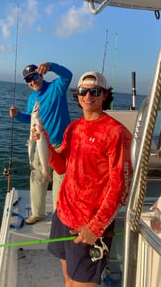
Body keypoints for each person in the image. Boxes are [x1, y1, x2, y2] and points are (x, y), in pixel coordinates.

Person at [33, 71, 132, 286]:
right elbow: (61, 167)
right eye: (83, 91)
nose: (88, 96)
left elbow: (121, 186)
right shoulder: (73, 128)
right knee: (68, 279)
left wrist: (96, 227)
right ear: (77, 95)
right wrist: (46, 143)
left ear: (105, 95)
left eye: (94, 91)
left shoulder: (117, 133)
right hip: (64, 216)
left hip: (89, 225)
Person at [9, 62, 72, 224]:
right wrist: (18, 115)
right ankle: (38, 213)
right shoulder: (32, 99)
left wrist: (51, 66)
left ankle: (60, 216)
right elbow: (31, 119)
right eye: (28, 80)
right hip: (41, 145)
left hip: (61, 145)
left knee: (61, 180)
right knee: (37, 176)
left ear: (41, 75)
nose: (32, 81)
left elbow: (68, 75)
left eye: (34, 76)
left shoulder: (56, 87)